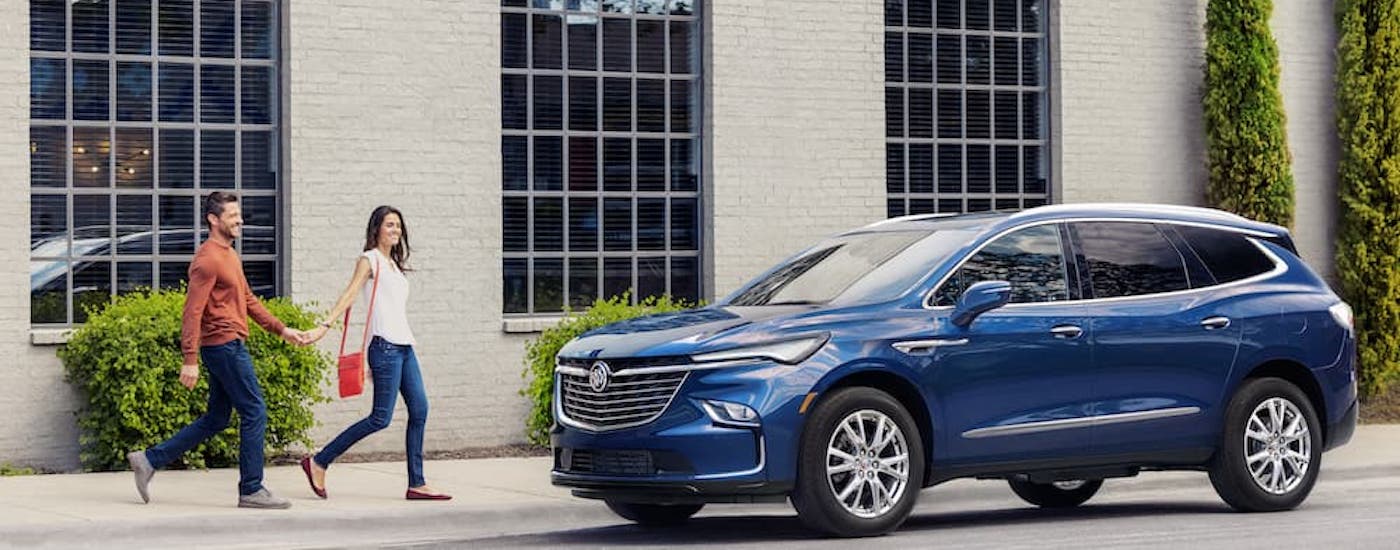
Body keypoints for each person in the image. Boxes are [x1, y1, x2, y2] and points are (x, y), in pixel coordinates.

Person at [127, 192, 312, 509]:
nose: (240, 220)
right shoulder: (208, 259)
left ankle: (149, 459)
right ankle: (251, 489)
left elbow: (248, 299)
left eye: (239, 215)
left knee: (216, 418)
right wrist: (189, 359)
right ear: (214, 219)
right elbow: (192, 311)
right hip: (224, 345)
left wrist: (282, 330)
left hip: (227, 345)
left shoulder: (229, 255)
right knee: (254, 411)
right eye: (232, 216)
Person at [299, 206, 450, 501]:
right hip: (385, 349)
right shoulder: (369, 260)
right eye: (389, 225)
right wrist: (323, 327)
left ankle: (417, 483)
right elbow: (350, 295)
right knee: (380, 418)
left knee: (420, 409)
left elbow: (384, 310)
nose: (395, 230)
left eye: (398, 225)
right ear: (377, 229)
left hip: (404, 348)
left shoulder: (393, 265)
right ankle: (319, 461)